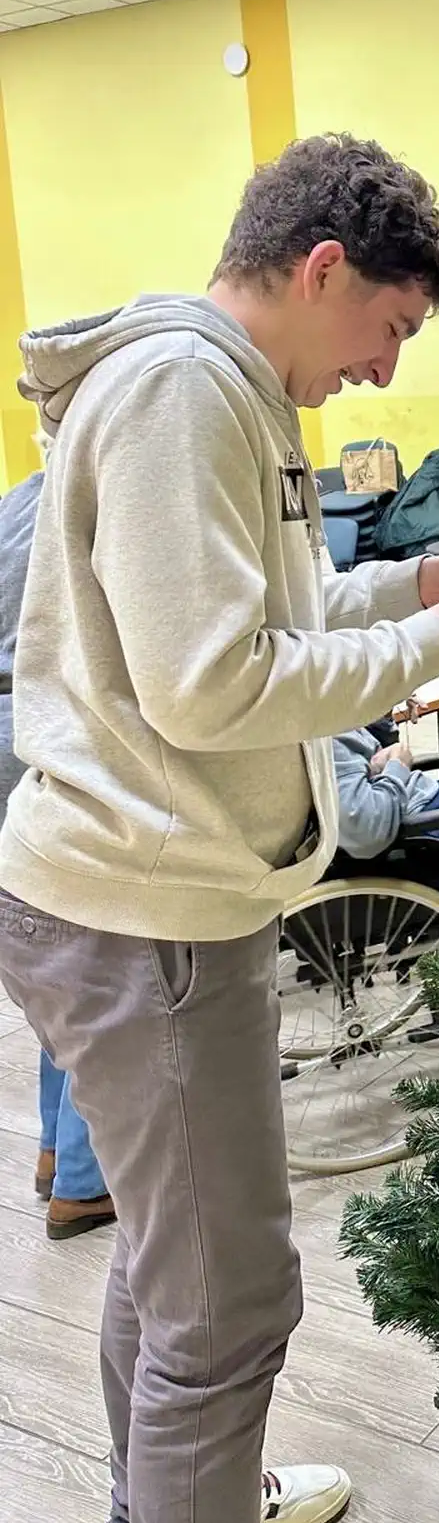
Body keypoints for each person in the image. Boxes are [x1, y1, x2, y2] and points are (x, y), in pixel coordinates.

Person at [0, 134, 439, 1523]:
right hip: (142, 918)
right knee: (230, 1313)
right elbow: (212, 683)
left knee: (176, 1275)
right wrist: (433, 651)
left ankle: (152, 1520)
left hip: (144, 901)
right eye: (392, 327)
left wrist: (404, 588)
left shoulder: (224, 395)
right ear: (320, 272)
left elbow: (267, 609)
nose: (384, 371)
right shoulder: (184, 394)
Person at [0, 465, 115, 1241]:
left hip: (8, 719)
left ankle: (53, 1149)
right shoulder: (107, 488)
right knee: (95, 965)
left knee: (51, 964)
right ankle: (82, 1178)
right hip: (48, 726)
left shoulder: (22, 493)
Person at [332, 726, 439, 856]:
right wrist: (398, 765)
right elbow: (366, 831)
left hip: (424, 793)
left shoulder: (331, 715)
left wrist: (381, 715)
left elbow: (378, 747)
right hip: (421, 823)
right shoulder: (328, 738)